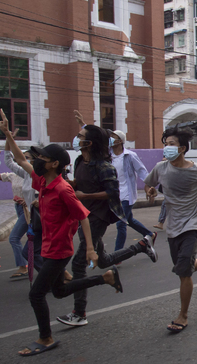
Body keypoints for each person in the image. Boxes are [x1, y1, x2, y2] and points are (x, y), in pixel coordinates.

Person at [0, 110, 123, 356]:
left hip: (59, 250)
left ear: (54, 163)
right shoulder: (43, 182)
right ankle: (106, 278)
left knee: (36, 295)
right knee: (59, 291)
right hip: (48, 246)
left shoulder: (63, 189)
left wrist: (89, 248)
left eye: (42, 157)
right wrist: (6, 134)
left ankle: (46, 338)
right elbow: (20, 160)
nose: (36, 160)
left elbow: (83, 216)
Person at [57, 117, 158, 327]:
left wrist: (85, 196)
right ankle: (141, 245)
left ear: (90, 142)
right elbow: (82, 183)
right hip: (83, 214)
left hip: (98, 216)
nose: (77, 139)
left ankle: (79, 312)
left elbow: (112, 192)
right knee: (102, 260)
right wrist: (72, 184)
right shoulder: (79, 162)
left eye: (81, 137)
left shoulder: (104, 165)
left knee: (79, 262)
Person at [144, 126, 197, 332]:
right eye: (165, 144)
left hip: (192, 224)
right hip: (173, 226)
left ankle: (183, 315)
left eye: (171, 144)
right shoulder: (161, 168)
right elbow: (148, 184)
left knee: (183, 272)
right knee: (184, 266)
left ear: (182, 149)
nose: (166, 148)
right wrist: (151, 191)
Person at [107, 130, 156, 252]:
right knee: (129, 220)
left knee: (121, 223)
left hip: (127, 194)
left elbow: (142, 171)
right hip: (114, 194)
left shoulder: (130, 156)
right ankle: (150, 234)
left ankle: (117, 254)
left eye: (113, 137)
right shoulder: (108, 155)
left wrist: (148, 185)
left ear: (120, 141)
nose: (111, 139)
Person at [0, 150, 30, 280]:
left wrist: (28, 200)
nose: (24, 160)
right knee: (32, 238)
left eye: (27, 158)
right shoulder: (14, 175)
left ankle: (23, 266)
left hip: (28, 209)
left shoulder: (30, 175)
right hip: (18, 208)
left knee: (14, 238)